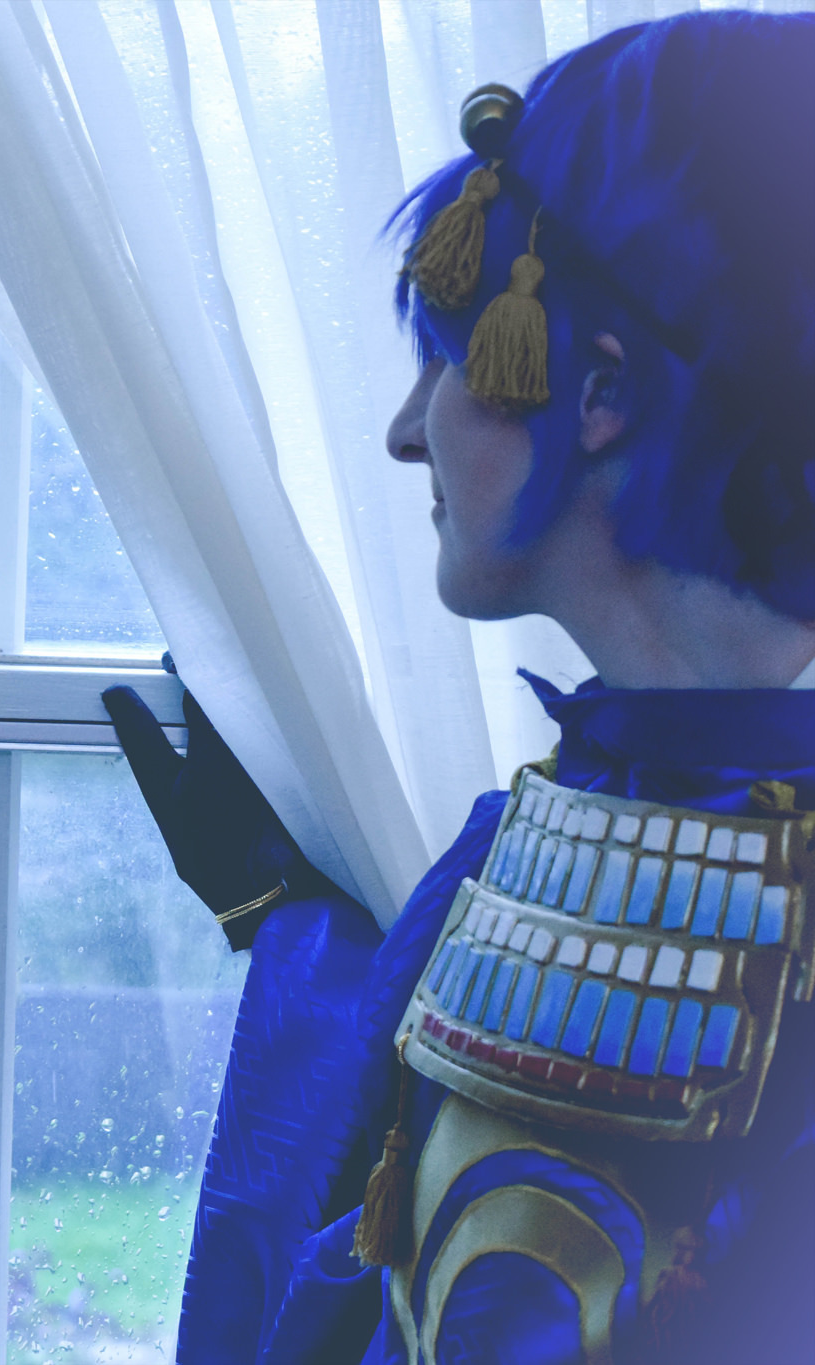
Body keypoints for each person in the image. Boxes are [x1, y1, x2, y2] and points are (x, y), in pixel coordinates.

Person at [104, 11, 815, 1363]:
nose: (401, 429)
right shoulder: (546, 818)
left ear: (594, 392)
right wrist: (284, 922)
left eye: (443, 359)